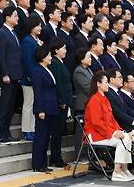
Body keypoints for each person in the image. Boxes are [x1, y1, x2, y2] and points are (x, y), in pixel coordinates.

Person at [83, 72, 134, 182]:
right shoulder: (94, 100)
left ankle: (124, 169)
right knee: (122, 140)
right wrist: (114, 133)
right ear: (98, 84)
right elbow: (96, 123)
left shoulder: (104, 99)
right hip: (95, 134)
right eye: (106, 82)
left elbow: (112, 120)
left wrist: (119, 130)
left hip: (104, 132)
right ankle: (117, 171)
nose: (107, 85)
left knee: (126, 137)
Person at [0, 6, 23, 143]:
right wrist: (4, 73)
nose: (17, 18)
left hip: (15, 74)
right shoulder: (2, 33)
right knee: (4, 105)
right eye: (15, 16)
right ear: (7, 17)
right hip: (7, 76)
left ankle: (7, 132)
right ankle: (1, 134)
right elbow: (1, 56)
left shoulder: (13, 32)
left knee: (10, 106)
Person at [31, 46, 59, 172]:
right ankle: (37, 164)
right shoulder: (37, 70)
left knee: (46, 136)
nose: (50, 57)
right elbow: (38, 91)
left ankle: (43, 163)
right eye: (48, 55)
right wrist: (40, 109)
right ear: (42, 57)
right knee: (40, 137)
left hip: (51, 107)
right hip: (44, 109)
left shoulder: (47, 69)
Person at [48, 38, 73, 168]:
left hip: (65, 101)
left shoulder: (60, 62)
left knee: (59, 130)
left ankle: (57, 156)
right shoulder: (55, 63)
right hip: (60, 103)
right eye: (63, 48)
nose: (65, 50)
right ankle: (55, 157)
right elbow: (58, 83)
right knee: (57, 131)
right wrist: (62, 100)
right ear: (56, 50)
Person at [20, 15, 43, 141]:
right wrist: (31, 76)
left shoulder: (36, 40)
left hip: (37, 77)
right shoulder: (27, 41)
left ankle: (33, 128)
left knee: (35, 104)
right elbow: (28, 62)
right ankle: (26, 130)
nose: (40, 28)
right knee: (28, 104)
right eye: (37, 26)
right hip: (29, 78)